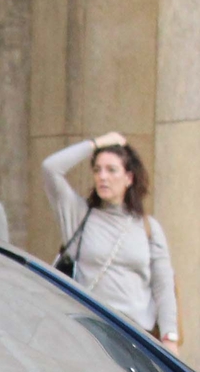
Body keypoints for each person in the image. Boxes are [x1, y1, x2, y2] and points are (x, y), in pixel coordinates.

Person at [42, 131, 179, 343]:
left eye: (111, 170)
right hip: (89, 332)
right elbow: (50, 168)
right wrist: (96, 144)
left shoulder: (148, 227)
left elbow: (163, 285)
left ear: (129, 178)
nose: (102, 177)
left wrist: (170, 336)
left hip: (137, 337)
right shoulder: (78, 214)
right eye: (97, 170)